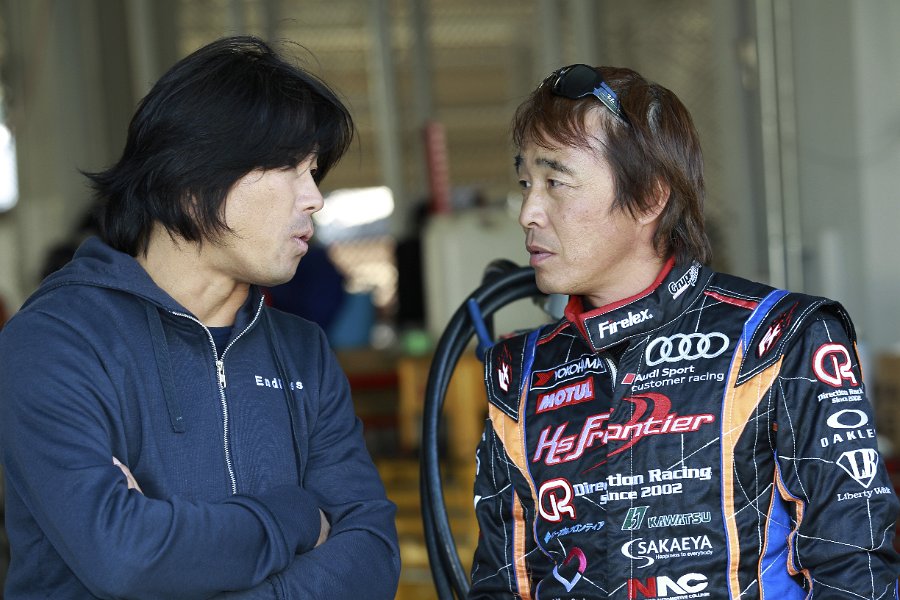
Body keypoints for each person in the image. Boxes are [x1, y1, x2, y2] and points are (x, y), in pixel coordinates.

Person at [468, 63, 900, 598]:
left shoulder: (781, 338)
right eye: (525, 184)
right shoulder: (518, 371)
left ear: (650, 197)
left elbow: (855, 574)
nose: (529, 212)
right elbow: (498, 583)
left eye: (556, 183)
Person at [0, 36, 400, 599]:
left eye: (313, 171)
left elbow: (373, 556)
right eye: (290, 167)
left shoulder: (302, 350)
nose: (314, 198)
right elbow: (125, 558)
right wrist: (297, 517)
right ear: (192, 175)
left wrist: (179, 554)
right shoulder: (57, 342)